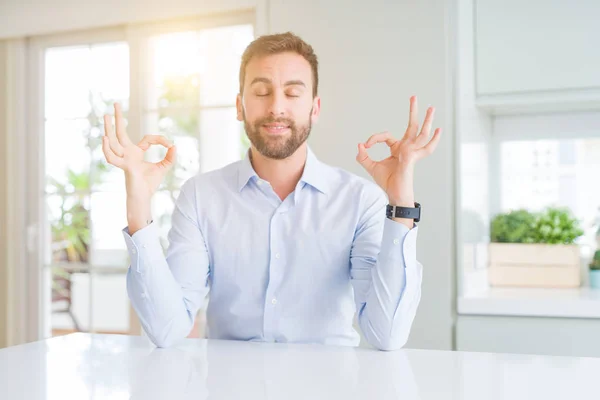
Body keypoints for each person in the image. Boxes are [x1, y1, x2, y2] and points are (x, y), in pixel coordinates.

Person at [102, 32, 441, 350]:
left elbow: (387, 335)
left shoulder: (360, 200)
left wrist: (401, 203)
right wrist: (138, 205)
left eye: (293, 93)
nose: (277, 107)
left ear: (315, 108)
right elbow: (167, 329)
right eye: (262, 92)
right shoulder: (201, 196)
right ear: (239, 106)